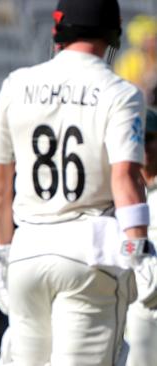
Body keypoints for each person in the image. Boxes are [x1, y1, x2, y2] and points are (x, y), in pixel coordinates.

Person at [0, 0, 157, 364]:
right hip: (90, 254)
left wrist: (3, 251)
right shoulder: (121, 93)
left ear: (58, 29)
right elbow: (125, 176)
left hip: (28, 252)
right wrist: (139, 246)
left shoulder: (17, 84)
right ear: (113, 34)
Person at [125, 108, 157, 366]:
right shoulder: (121, 190)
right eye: (138, 139)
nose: (144, 146)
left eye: (150, 138)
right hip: (134, 301)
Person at [114, 15, 157, 105]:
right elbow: (126, 86)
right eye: (150, 38)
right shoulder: (130, 60)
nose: (153, 42)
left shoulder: (153, 57)